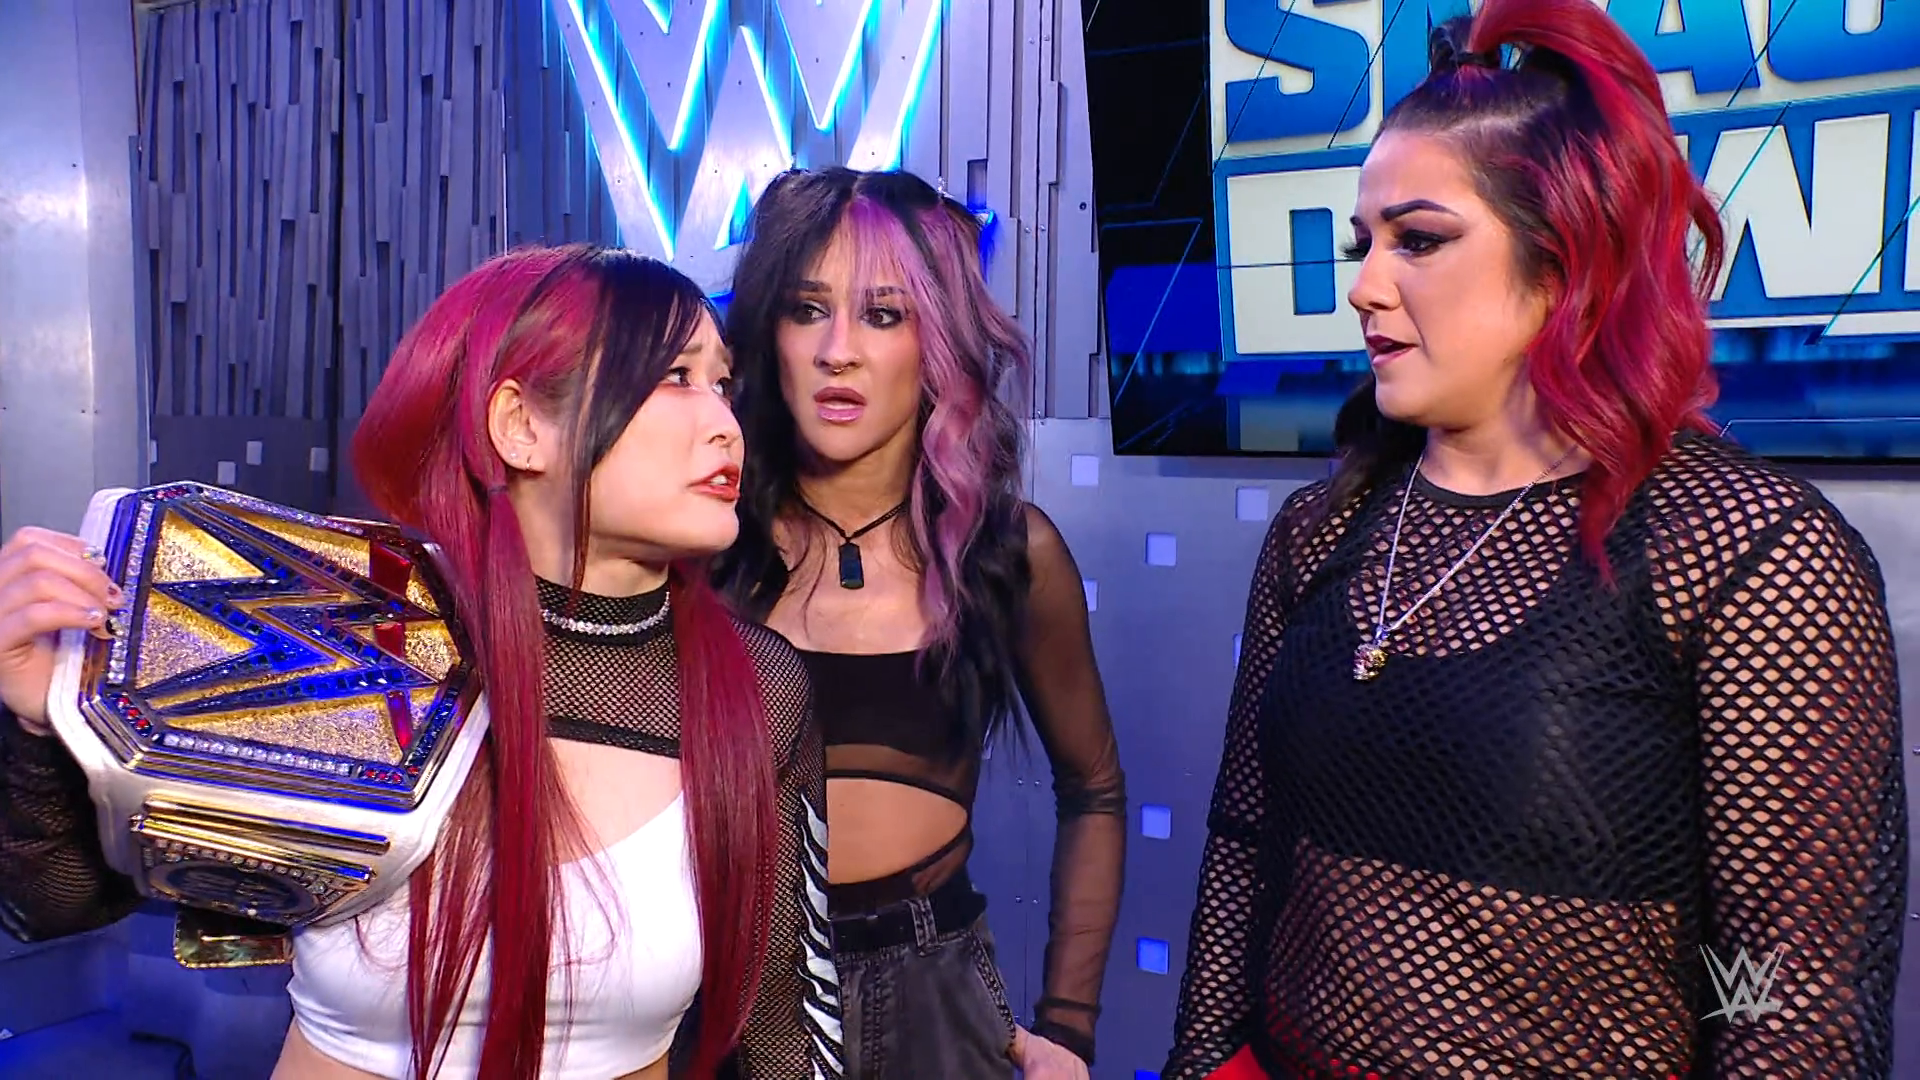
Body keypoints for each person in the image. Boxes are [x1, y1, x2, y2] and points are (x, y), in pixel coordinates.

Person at [1164, 2, 1907, 1078]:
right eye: (1364, 244)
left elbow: (1778, 982)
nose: (1364, 285)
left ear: (1566, 260)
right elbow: (1245, 847)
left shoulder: (1744, 552)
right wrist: (1200, 1063)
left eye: (1419, 240)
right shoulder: (1320, 530)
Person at [0, 245, 843, 1080]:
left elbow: (785, 1029)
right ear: (521, 427)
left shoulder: (755, 688)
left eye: (722, 383)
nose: (725, 423)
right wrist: (43, 724)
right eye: (676, 377)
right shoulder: (344, 632)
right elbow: (56, 905)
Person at [713, 167, 1125, 1080]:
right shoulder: (709, 544)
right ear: (769, 333)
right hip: (736, 992)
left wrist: (1069, 1028)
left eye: (883, 315)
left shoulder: (1007, 553)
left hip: (935, 995)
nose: (839, 351)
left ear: (937, 339)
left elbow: (1094, 788)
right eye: (808, 309)